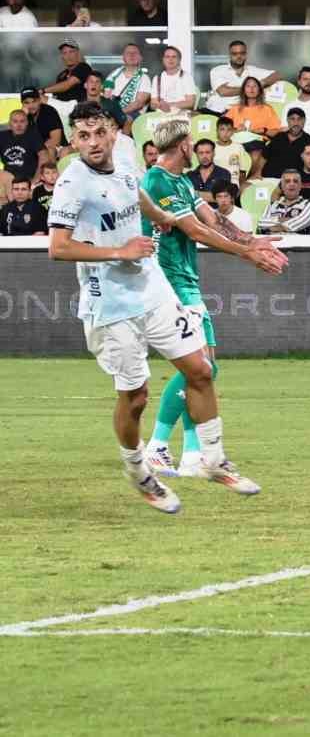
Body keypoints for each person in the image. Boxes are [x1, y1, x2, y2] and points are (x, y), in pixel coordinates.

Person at [48, 104, 282, 512]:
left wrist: (160, 217)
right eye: (82, 137)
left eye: (98, 134)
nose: (92, 143)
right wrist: (121, 249)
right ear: (73, 141)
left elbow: (135, 196)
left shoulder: (124, 165)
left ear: (111, 134)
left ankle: (212, 460)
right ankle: (140, 472)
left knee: (201, 370)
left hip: (151, 286)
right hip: (111, 303)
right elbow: (58, 248)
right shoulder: (72, 183)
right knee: (135, 396)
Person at [140, 118, 290, 478]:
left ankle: (192, 455)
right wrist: (245, 253)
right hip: (169, 283)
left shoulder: (182, 182)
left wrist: (251, 239)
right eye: (190, 141)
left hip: (185, 280)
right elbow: (196, 230)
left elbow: (214, 218)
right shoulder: (157, 180)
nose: (193, 147)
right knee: (200, 368)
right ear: (182, 146)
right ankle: (158, 447)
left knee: (204, 370)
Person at [206, 40, 282, 114]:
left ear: (246, 54)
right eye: (235, 54)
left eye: (242, 53)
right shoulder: (218, 70)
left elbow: (277, 75)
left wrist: (260, 84)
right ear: (230, 55)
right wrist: (251, 89)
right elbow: (223, 92)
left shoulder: (253, 70)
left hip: (240, 113)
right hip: (216, 111)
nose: (239, 56)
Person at [102, 43, 152, 121]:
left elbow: (139, 103)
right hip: (111, 118)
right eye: (128, 53)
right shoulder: (113, 75)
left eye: (135, 53)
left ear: (140, 58)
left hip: (132, 119)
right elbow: (106, 97)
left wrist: (117, 113)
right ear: (123, 58)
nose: (131, 55)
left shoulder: (145, 78)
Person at [0, 109, 46, 194]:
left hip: (28, 179)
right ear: (10, 124)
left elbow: (43, 156)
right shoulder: (2, 137)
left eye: (22, 121)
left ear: (27, 123)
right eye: (15, 121)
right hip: (8, 180)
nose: (19, 125)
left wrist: (36, 178)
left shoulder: (33, 136)